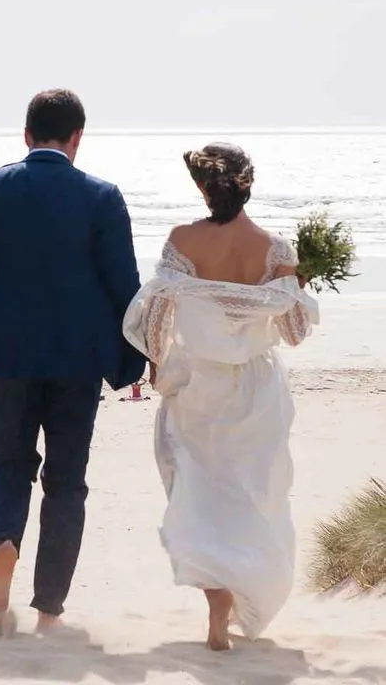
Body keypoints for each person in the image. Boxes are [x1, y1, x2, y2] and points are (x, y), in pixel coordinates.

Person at [0, 89, 145, 632]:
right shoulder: (103, 196)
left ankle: (4, 548)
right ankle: (48, 612)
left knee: (9, 464)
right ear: (77, 138)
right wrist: (138, 358)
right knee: (67, 481)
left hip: (8, 356)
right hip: (78, 361)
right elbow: (125, 288)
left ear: (26, 136)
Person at [123, 143, 319, 651]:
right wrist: (299, 283)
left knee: (200, 489)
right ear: (247, 185)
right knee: (253, 491)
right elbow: (295, 332)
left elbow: (160, 316)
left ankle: (216, 606)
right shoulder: (275, 248)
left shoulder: (182, 239)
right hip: (255, 387)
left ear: (203, 189)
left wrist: (157, 366)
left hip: (198, 384)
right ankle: (241, 590)